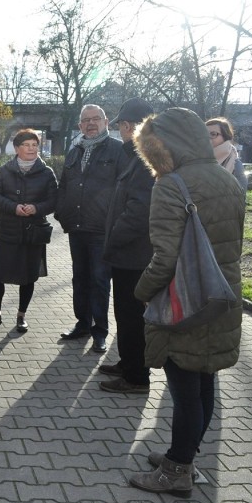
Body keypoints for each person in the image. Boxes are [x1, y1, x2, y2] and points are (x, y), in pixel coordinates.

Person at [128, 107, 245, 498]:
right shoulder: (227, 180)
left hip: (184, 300)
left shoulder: (172, 185)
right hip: (221, 297)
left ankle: (177, 471)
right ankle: (184, 456)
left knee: (183, 388)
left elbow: (165, 258)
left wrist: (142, 292)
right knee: (204, 381)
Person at [55, 104, 127, 353]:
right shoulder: (74, 151)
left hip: (102, 230)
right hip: (77, 227)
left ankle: (100, 331)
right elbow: (64, 186)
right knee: (80, 278)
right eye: (86, 120)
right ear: (80, 126)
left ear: (107, 122)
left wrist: (115, 222)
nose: (91, 123)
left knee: (99, 280)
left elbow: (125, 189)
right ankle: (82, 324)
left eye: (96, 119)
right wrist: (62, 214)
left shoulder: (119, 150)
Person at [98, 98, 155, 394]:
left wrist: (114, 237)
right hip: (127, 254)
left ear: (134, 126)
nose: (121, 129)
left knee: (132, 316)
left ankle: (136, 377)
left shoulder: (144, 161)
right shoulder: (134, 157)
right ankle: (127, 362)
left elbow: (139, 211)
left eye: (124, 124)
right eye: (121, 124)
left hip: (133, 255)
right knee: (125, 314)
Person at [0, 129, 58, 331]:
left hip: (33, 233)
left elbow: (55, 200)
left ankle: (21, 316)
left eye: (34, 145)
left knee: (28, 276)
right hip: (8, 232)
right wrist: (13, 207)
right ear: (16, 148)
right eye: (26, 145)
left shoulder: (47, 173)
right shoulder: (5, 170)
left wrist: (37, 208)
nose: (31, 149)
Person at [205, 116, 248, 193]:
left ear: (225, 137)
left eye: (213, 134)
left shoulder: (235, 164)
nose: (208, 138)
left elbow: (241, 194)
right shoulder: (196, 158)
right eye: (204, 134)